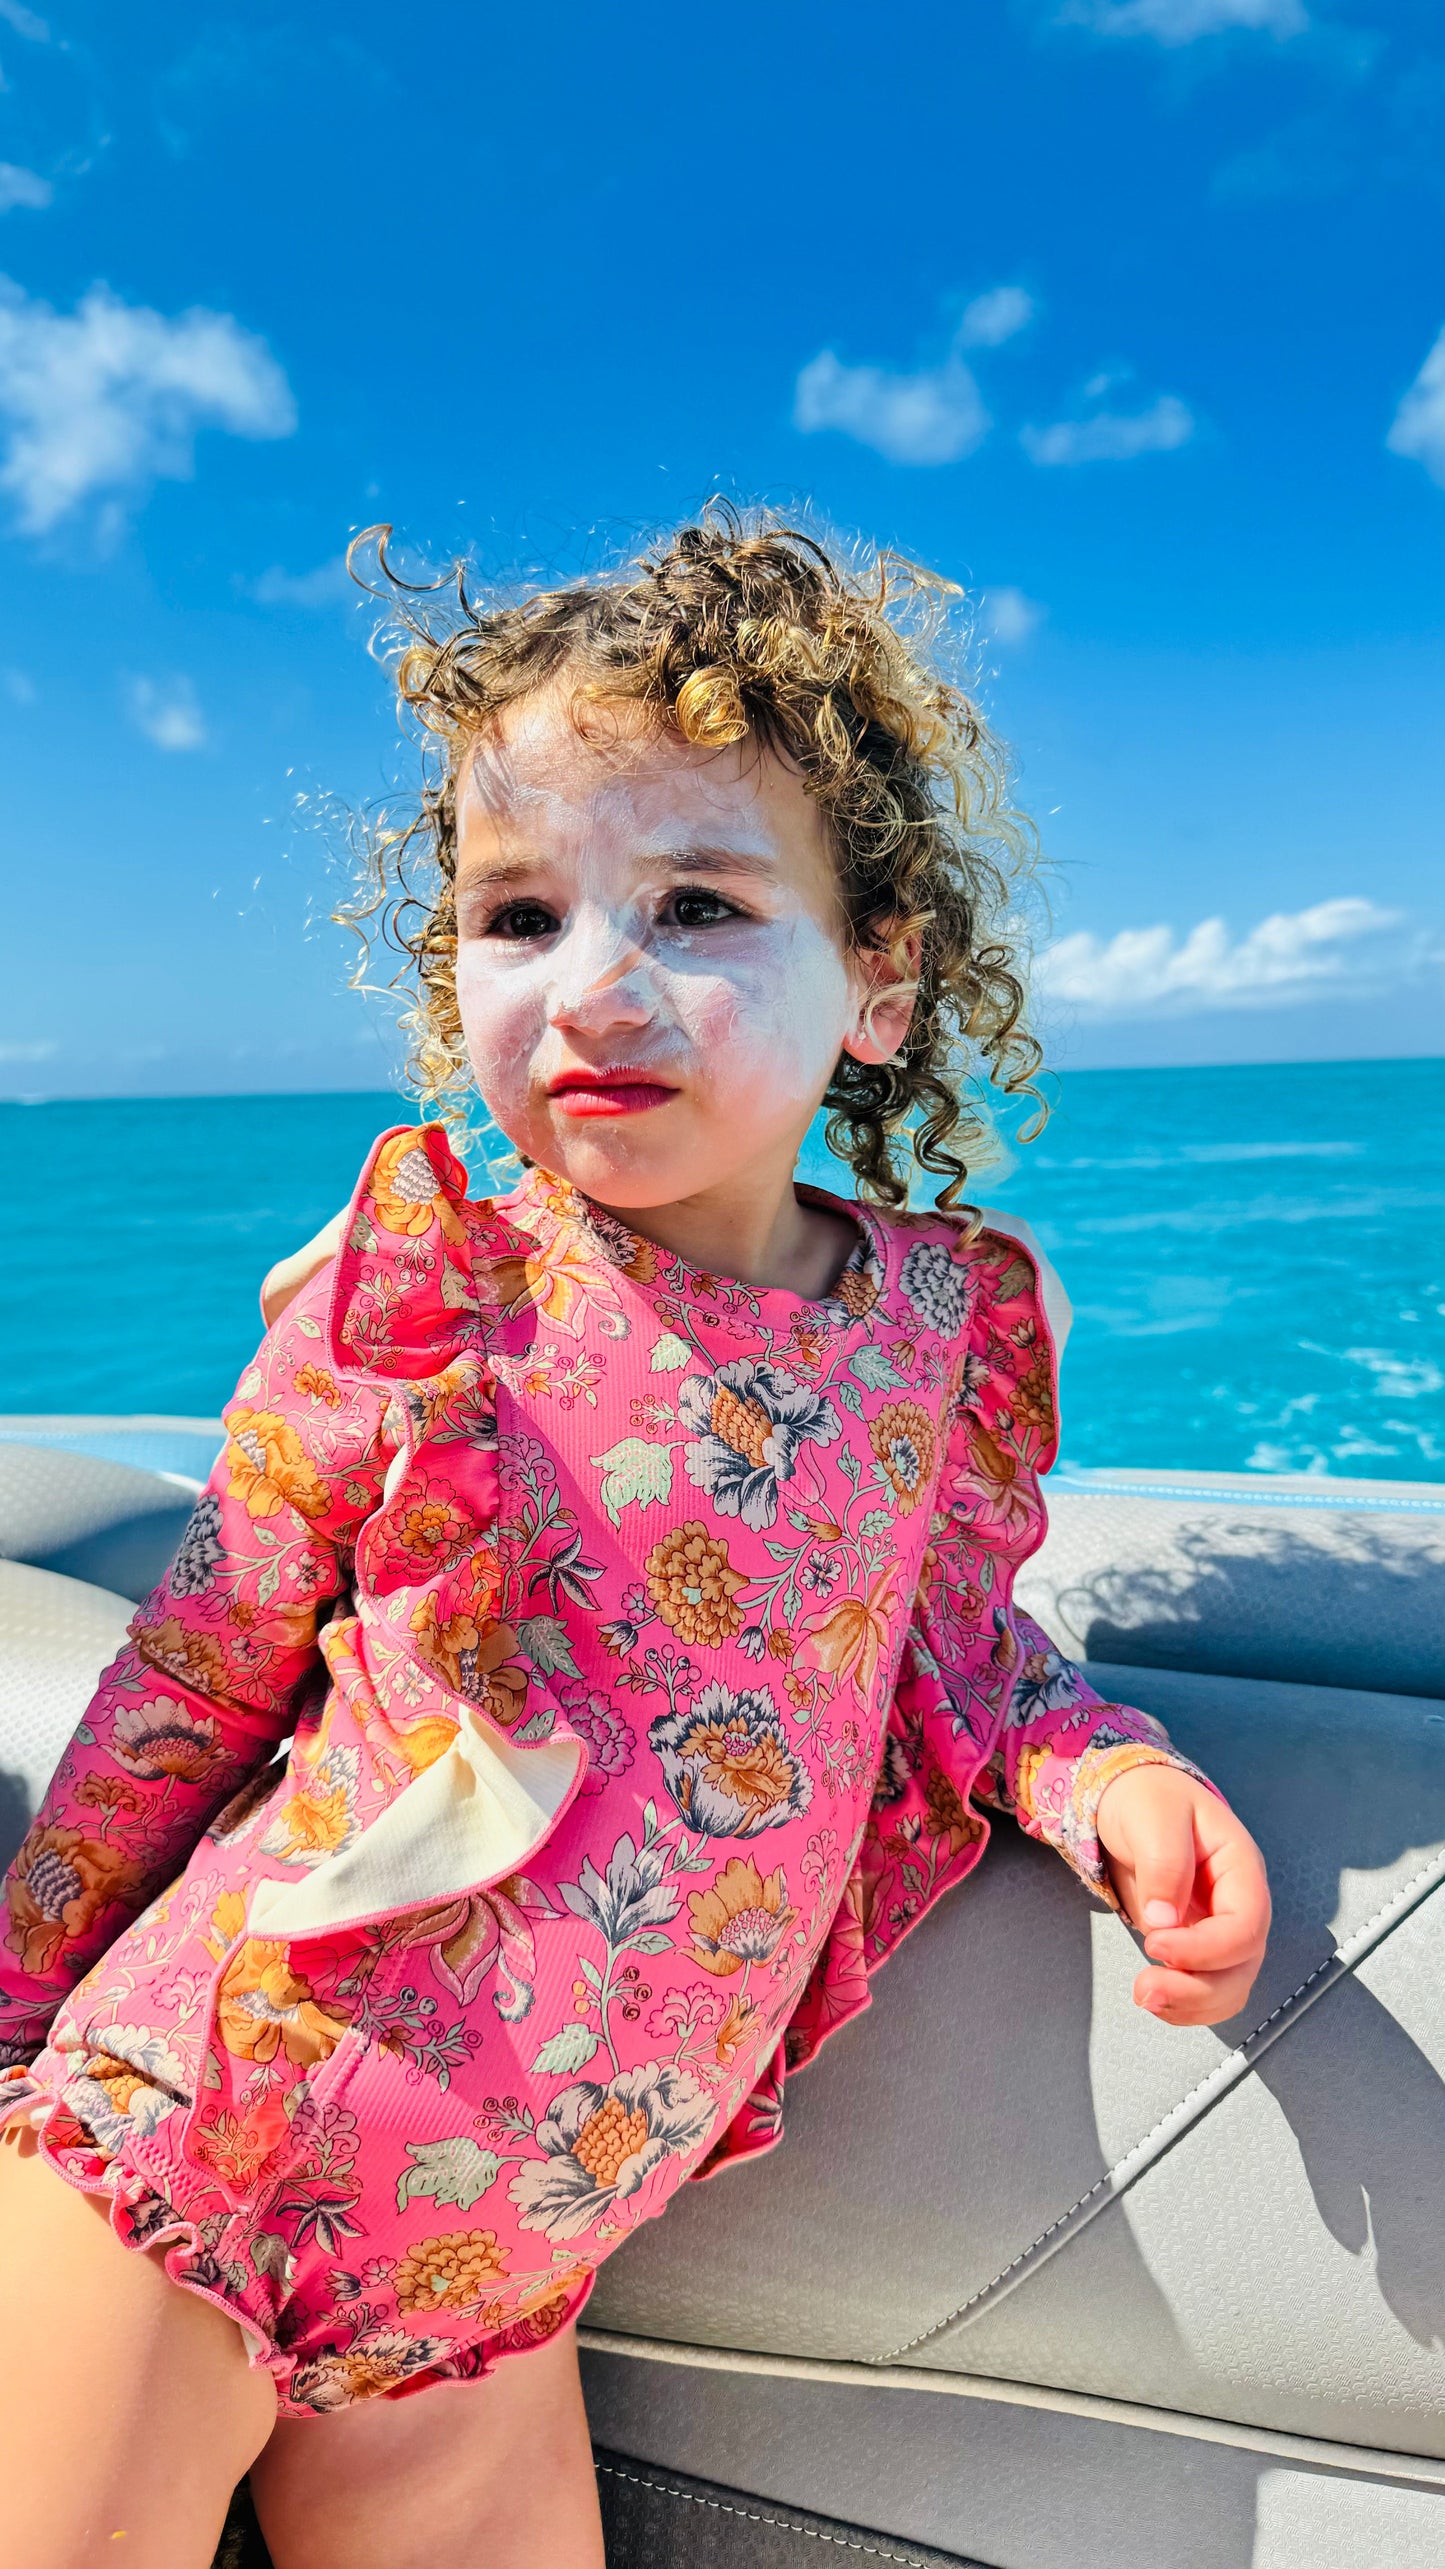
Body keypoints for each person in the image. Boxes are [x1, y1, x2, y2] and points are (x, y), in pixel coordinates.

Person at [0, 514, 1271, 2569]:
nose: (593, 984)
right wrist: (11, 2014)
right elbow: (192, 1680)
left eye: (693, 904)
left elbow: (937, 1644)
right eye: (519, 913)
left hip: (499, 2282)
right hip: (200, 2150)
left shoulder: (940, 1333)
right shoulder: (424, 1291)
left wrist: (1100, 1770)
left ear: (879, 979)